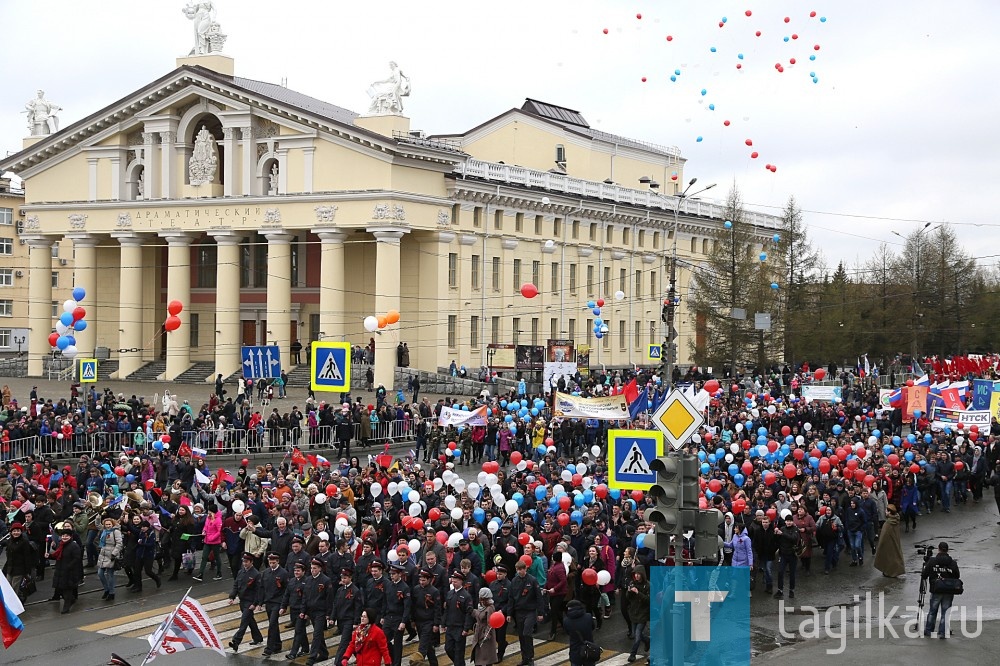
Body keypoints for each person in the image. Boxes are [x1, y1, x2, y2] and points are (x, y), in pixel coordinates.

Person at [921, 541, 961, 638]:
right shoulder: (952, 563)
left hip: (936, 590)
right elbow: (957, 575)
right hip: (948, 590)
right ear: (947, 550)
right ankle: (942, 632)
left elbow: (924, 575)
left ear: (938, 549)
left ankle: (929, 630)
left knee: (932, 611)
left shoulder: (932, 561)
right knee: (945, 612)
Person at [257, 552, 290, 657]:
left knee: (272, 625)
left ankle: (269, 648)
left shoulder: (283, 573)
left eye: (273, 563)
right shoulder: (266, 573)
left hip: (278, 602)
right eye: (270, 562)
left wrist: (284, 605)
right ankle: (277, 644)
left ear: (278, 561)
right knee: (274, 624)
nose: (272, 564)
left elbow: (287, 590)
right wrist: (260, 603)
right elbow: (262, 588)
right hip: (268, 602)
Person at [49, 523, 83, 614]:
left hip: (69, 572)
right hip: (61, 570)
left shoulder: (74, 546)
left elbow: (76, 558)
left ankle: (66, 607)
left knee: (67, 590)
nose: (64, 537)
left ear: (70, 537)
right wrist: (49, 556)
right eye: (63, 536)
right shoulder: (61, 545)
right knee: (61, 589)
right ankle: (71, 600)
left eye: (66, 536)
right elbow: (56, 555)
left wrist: (69, 567)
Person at [442, 571, 474, 666]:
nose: (453, 582)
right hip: (450, 626)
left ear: (461, 581)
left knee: (459, 653)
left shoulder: (466, 596)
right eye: (453, 580)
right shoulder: (449, 593)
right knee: (448, 648)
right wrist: (443, 623)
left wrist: (466, 628)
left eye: (456, 580)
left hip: (460, 628)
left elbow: (468, 613)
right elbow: (446, 610)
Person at [562, 599, 598, 666]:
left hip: (575, 651)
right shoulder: (588, 616)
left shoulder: (566, 621)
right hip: (589, 650)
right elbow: (592, 627)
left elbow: (567, 632)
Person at [625, 567, 650, 662]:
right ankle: (647, 640)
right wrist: (629, 591)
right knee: (637, 633)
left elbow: (648, 600)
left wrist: (637, 592)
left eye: (638, 574)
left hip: (643, 613)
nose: (636, 576)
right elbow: (628, 598)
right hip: (633, 612)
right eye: (635, 574)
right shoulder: (632, 583)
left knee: (637, 635)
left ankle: (633, 654)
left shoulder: (647, 585)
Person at [873, 505, 905, 578]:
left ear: (889, 512)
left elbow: (884, 535)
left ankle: (890, 572)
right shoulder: (896, 520)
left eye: (886, 511)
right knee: (894, 556)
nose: (885, 512)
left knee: (889, 557)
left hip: (888, 543)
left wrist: (881, 544)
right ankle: (893, 571)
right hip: (895, 541)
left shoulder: (888, 523)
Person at [96, 517, 123, 601]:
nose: (108, 526)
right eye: (106, 524)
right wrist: (98, 517)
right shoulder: (104, 530)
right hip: (103, 553)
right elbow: (97, 525)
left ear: (112, 524)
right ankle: (106, 589)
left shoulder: (116, 532)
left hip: (111, 554)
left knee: (110, 575)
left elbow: (119, 543)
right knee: (100, 573)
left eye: (109, 524)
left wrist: (114, 553)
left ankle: (111, 592)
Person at [471, 587, 499, 666]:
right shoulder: (481, 605)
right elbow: (479, 615)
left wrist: (486, 636)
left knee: (486, 657)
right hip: (479, 632)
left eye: (482, 597)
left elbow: (490, 624)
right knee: (479, 656)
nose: (481, 599)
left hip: (485, 635)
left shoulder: (490, 608)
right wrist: (473, 611)